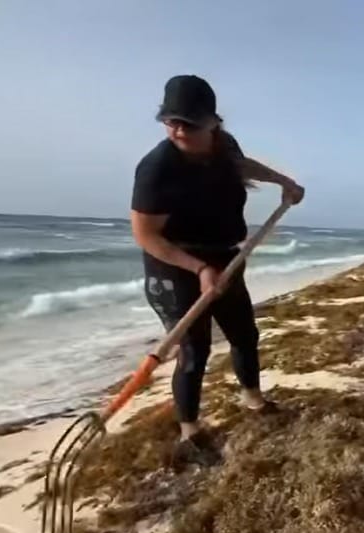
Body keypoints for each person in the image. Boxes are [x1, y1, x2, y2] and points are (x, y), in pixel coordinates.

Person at [130, 75, 305, 467]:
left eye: (188, 123)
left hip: (225, 257)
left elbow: (242, 165)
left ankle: (252, 399)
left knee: (245, 332)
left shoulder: (224, 146)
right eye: (169, 120)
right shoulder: (157, 168)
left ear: (212, 123)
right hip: (173, 264)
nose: (177, 129)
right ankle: (190, 430)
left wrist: (284, 182)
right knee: (195, 349)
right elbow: (146, 235)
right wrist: (198, 269)